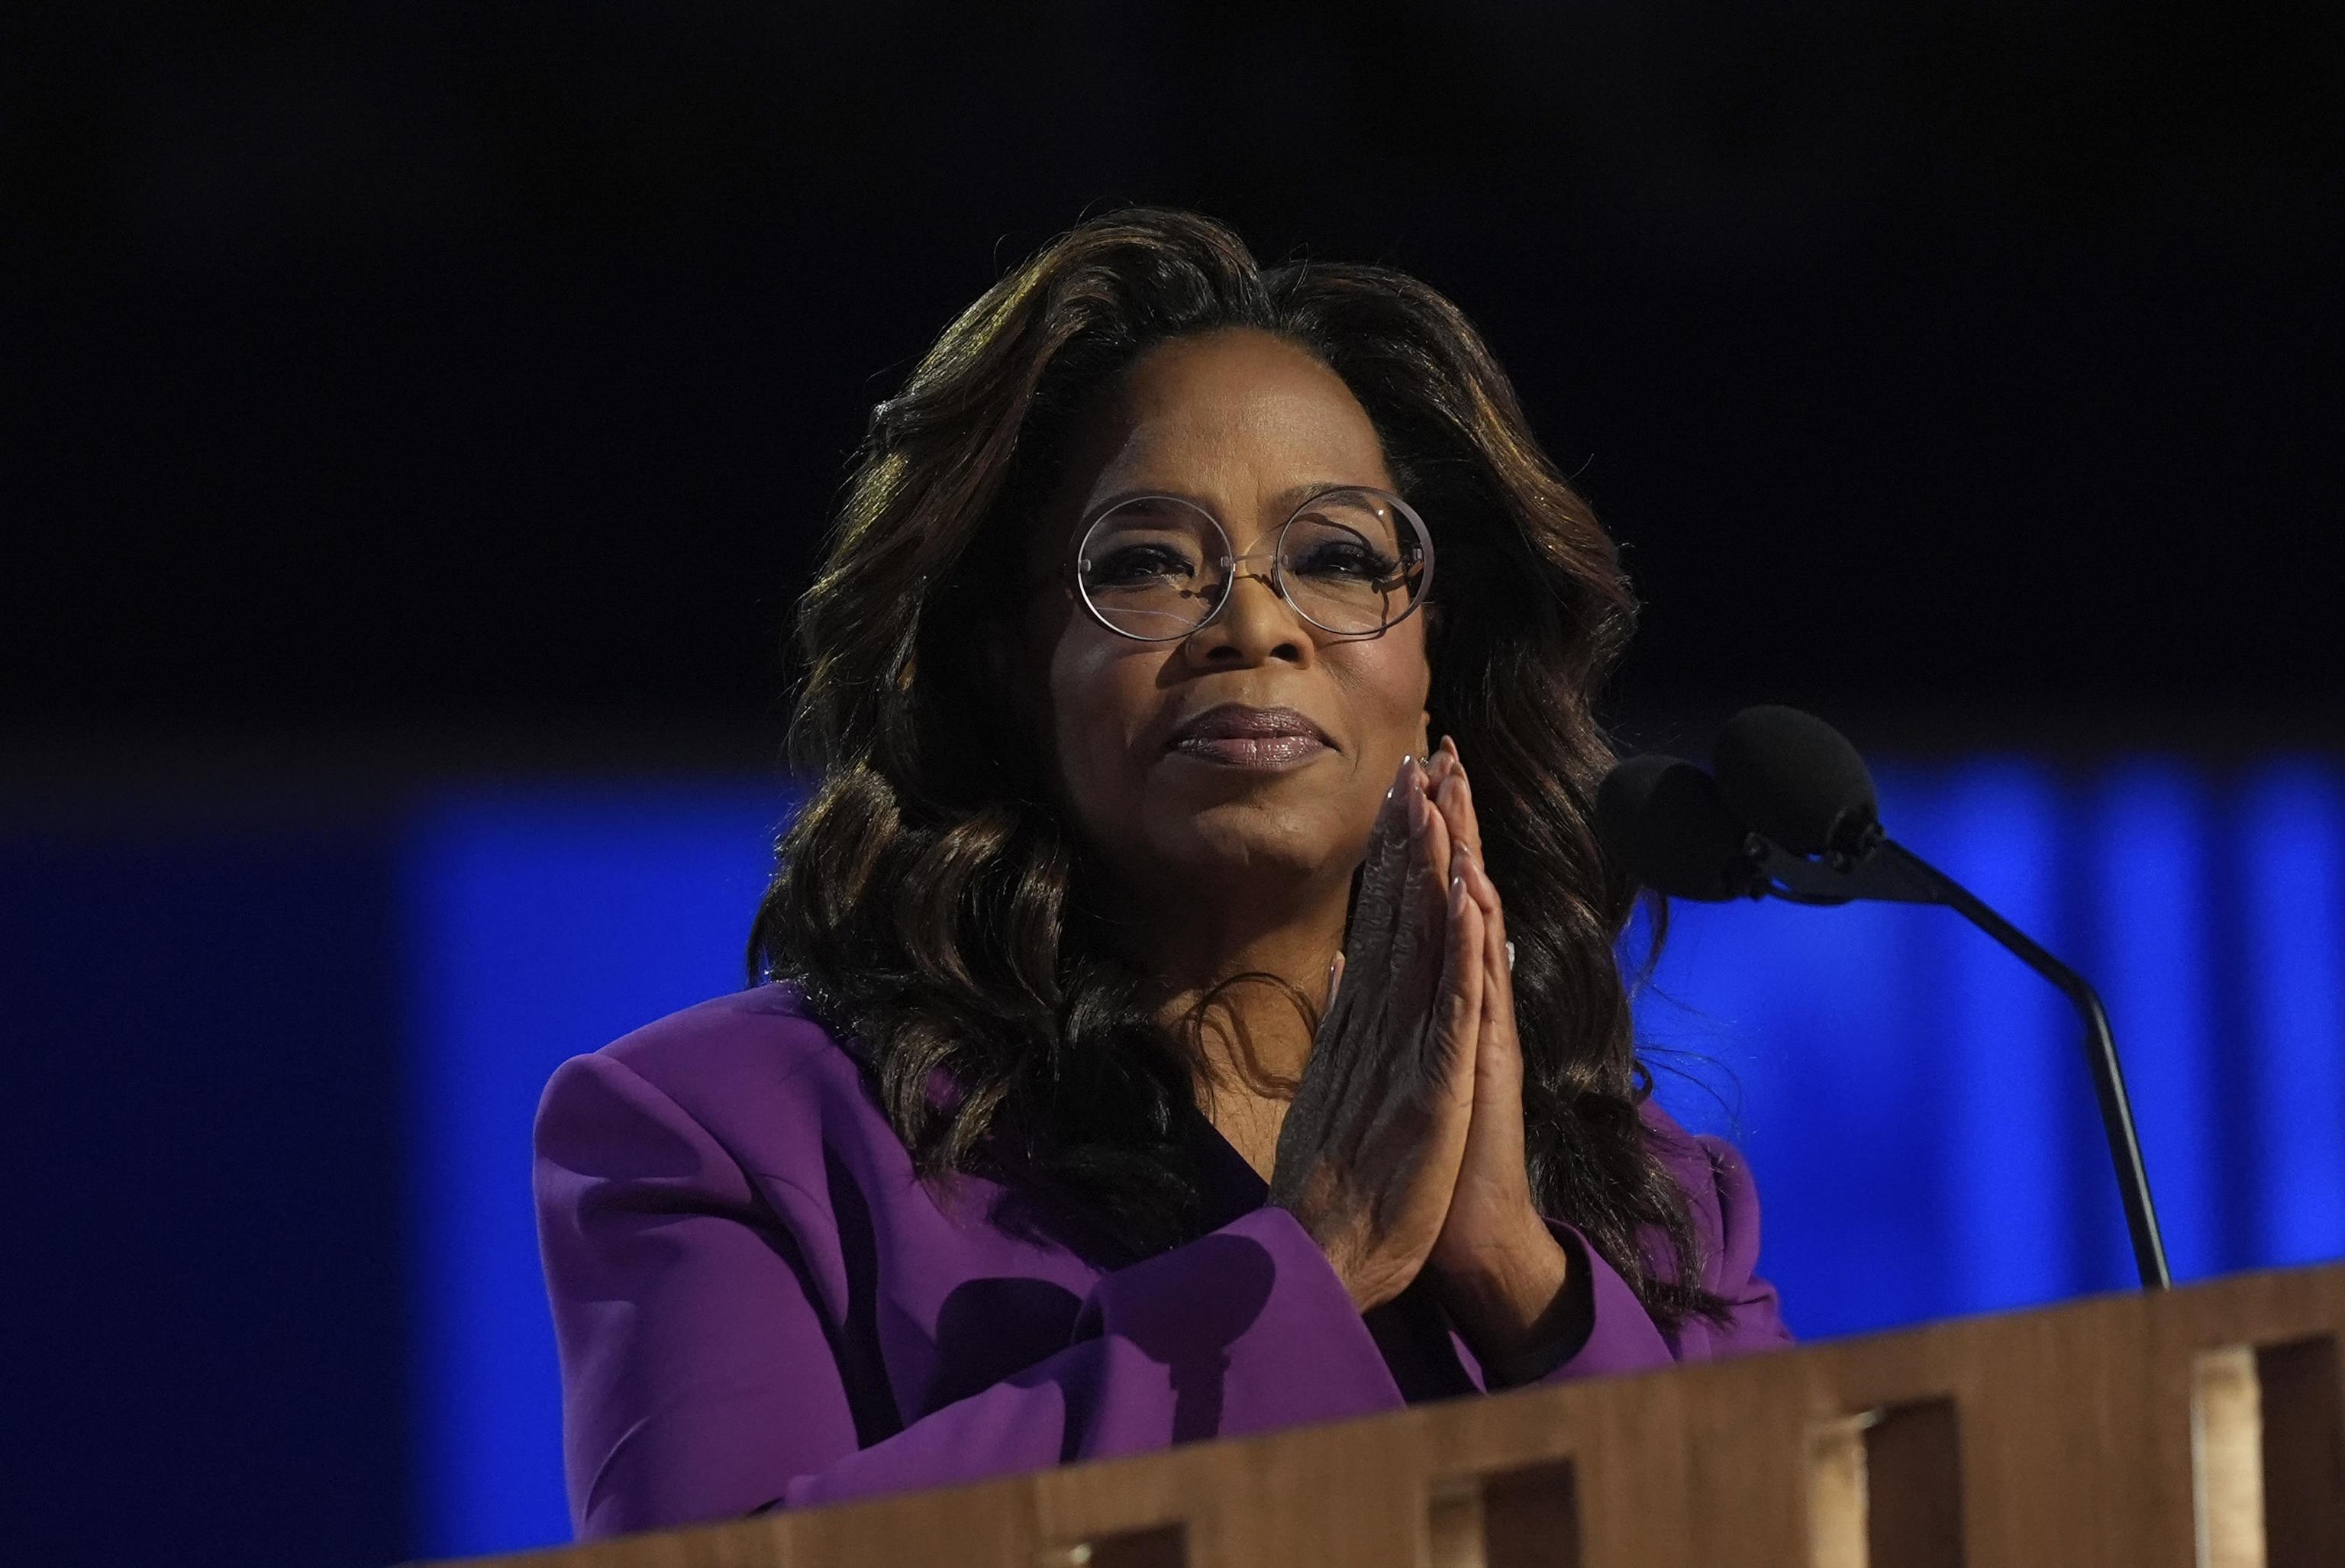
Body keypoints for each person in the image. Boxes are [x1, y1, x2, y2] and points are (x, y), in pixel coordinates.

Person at [534, 208, 1790, 1542]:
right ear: (1010, 669)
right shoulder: (725, 1135)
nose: (1255, 622)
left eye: (1341, 558)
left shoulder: (1642, 1203)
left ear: (1431, 668)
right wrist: (1301, 1272)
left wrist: (1520, 1280)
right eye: (1145, 563)